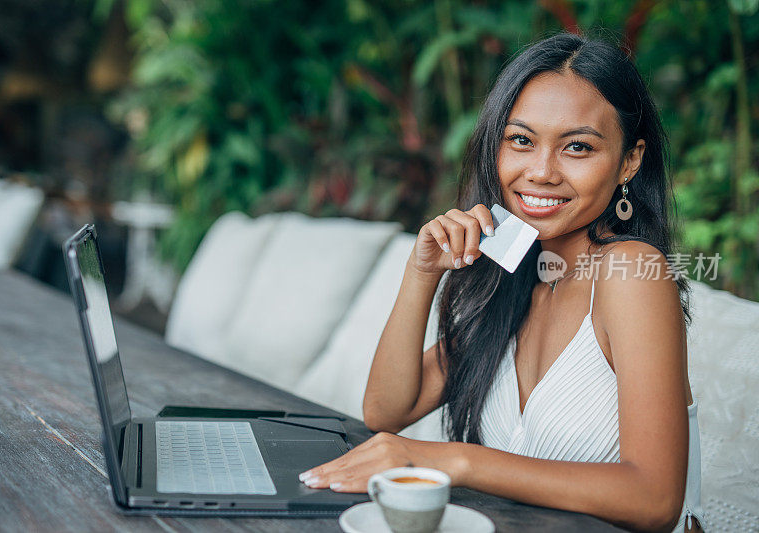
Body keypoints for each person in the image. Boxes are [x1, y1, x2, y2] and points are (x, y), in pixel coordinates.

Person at [298, 33, 705, 532]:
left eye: (577, 147)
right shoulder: (517, 280)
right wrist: (421, 273)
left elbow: (654, 498)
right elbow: (387, 409)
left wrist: (457, 460)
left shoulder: (631, 273)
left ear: (629, 161)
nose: (541, 171)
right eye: (521, 140)